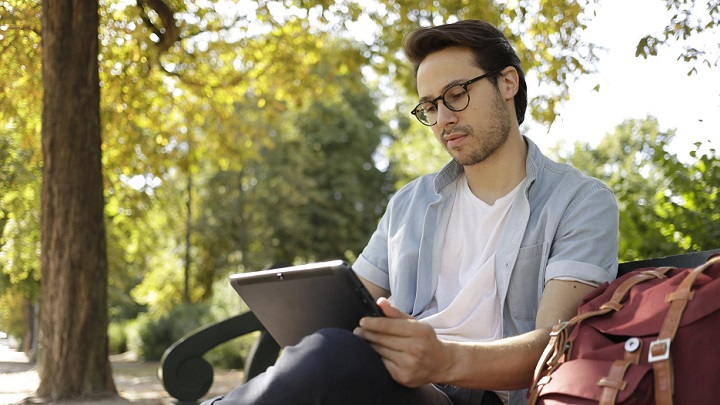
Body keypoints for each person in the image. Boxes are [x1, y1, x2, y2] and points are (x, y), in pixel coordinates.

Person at [203, 19, 618, 405]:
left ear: (507, 82)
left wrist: (443, 360)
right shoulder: (410, 203)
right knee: (329, 348)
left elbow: (552, 345)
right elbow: (352, 305)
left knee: (332, 355)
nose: (443, 119)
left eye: (456, 94)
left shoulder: (580, 202)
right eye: (430, 107)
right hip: (390, 381)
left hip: (482, 394)